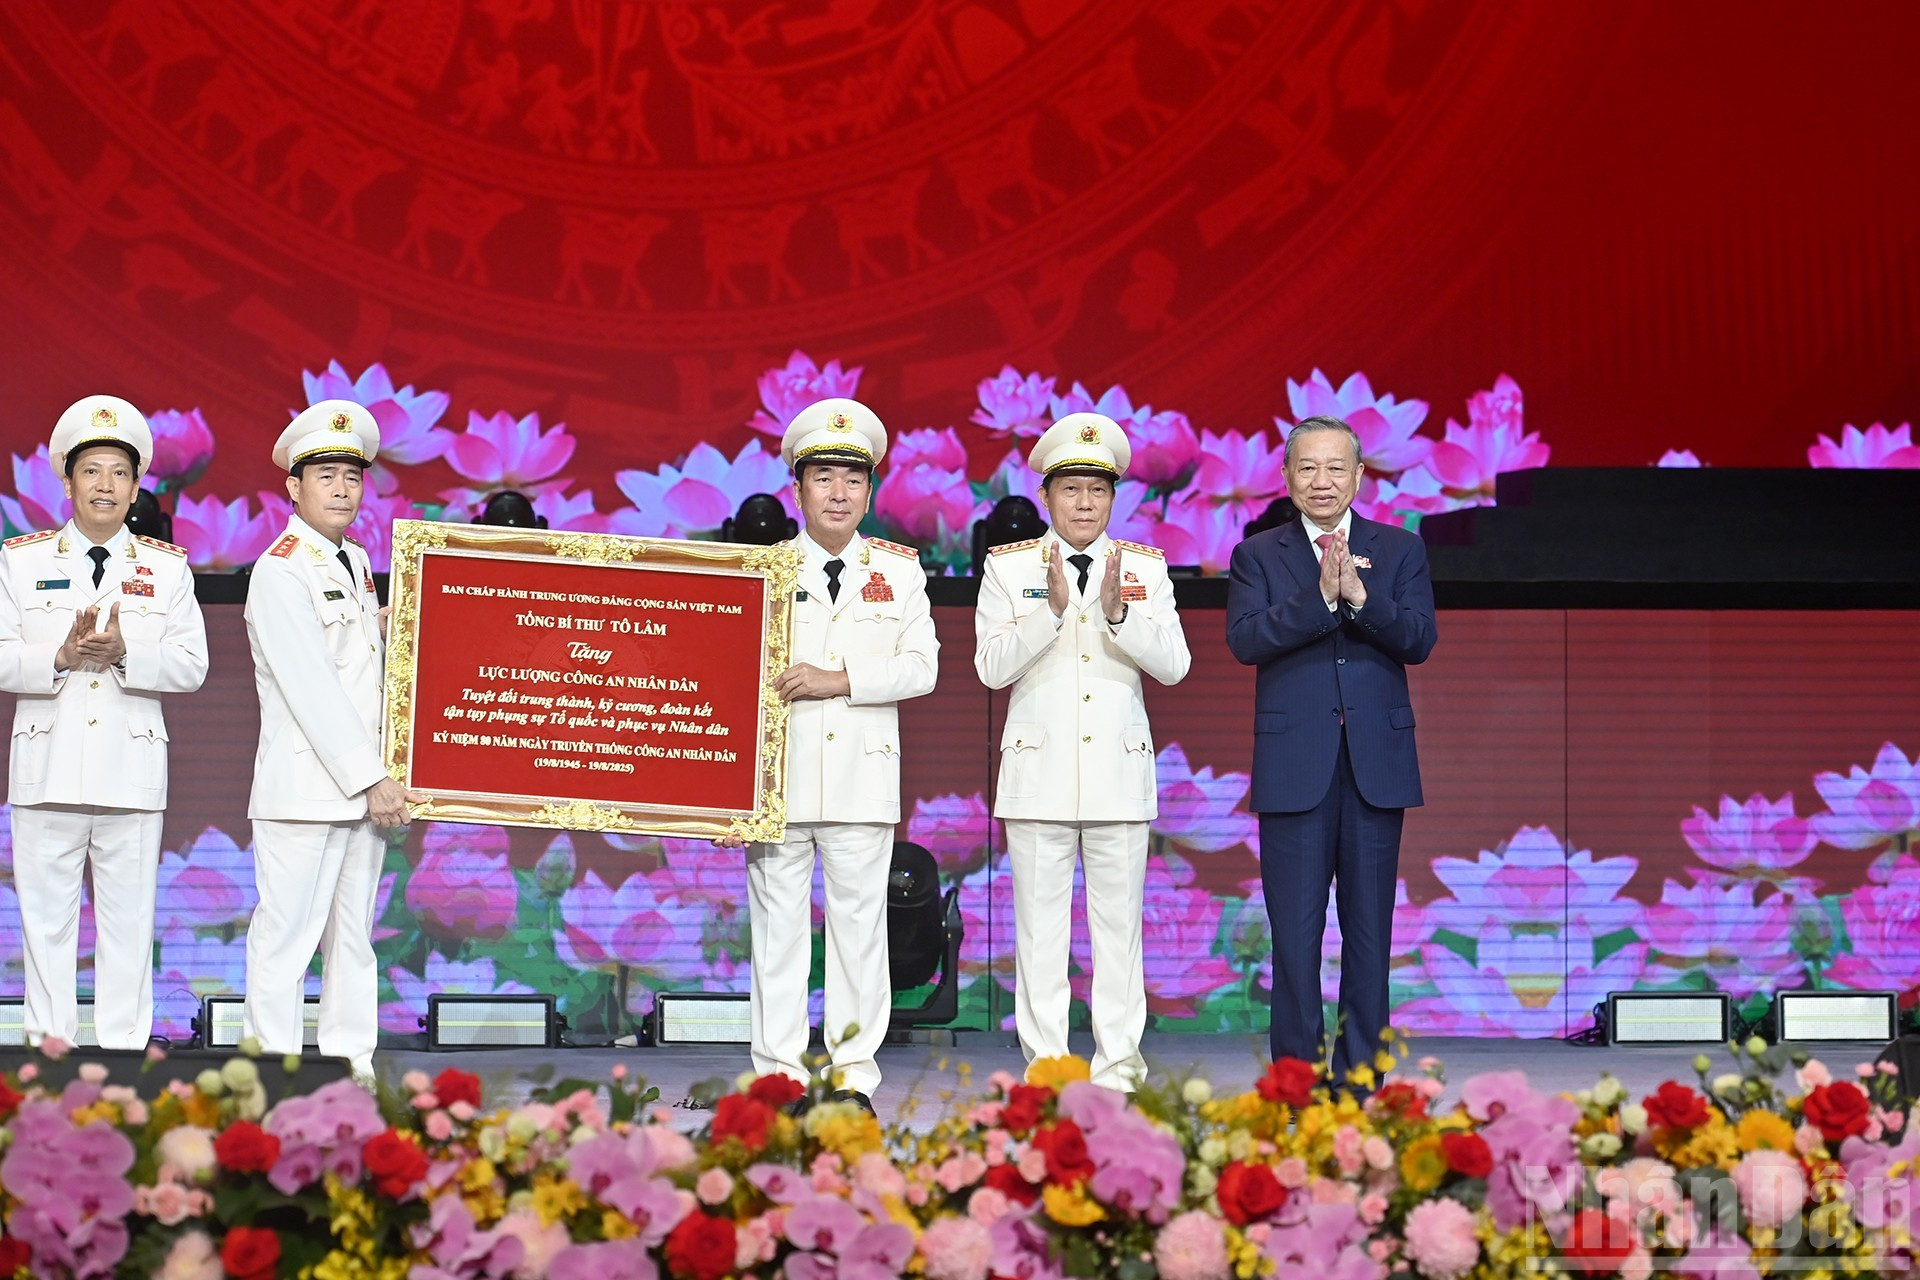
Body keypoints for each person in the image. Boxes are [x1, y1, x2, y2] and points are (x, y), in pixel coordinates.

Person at [726, 397, 938, 1112]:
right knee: (777, 939)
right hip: (774, 782)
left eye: (854, 479)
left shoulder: (900, 571)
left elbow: (922, 669)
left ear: (870, 489)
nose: (840, 493)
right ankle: (777, 1080)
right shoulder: (762, 569)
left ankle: (853, 1081)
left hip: (861, 779)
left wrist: (838, 680)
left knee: (858, 938)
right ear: (797, 488)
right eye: (825, 478)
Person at [974, 412, 1190, 1091]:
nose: (1086, 503)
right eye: (1072, 489)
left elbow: (1175, 666)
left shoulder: (1144, 571)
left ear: (1114, 496)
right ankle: (1047, 1070)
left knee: (1118, 933)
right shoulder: (1010, 569)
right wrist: (1049, 612)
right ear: (1047, 496)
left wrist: (1120, 615)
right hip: (1038, 775)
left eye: (1098, 490)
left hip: (1117, 776)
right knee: (1039, 936)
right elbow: (991, 668)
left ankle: (1120, 1069)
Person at [1225, 413, 1436, 1088]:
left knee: (1370, 937)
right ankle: (1296, 1076)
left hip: (1375, 766)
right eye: (1307, 468)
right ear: (1285, 477)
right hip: (1295, 769)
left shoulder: (1399, 550)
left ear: (1359, 476)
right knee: (1294, 938)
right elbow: (1247, 641)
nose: (1321, 481)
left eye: (1335, 467)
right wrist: (1320, 600)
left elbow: (1418, 640)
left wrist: (1361, 599)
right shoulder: (1258, 554)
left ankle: (1362, 1075)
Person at [0, 395, 207, 1049]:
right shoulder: (20, 561)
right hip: (47, 771)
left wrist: (126, 653)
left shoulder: (166, 567)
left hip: (132, 774)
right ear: (67, 480)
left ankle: (124, 1066)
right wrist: (57, 657)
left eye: (119, 472)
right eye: (92, 471)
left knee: (127, 929)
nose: (106, 485)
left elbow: (192, 665)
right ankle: (48, 1063)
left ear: (137, 484)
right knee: (47, 928)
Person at [243, 399, 415, 1080]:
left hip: (357, 788)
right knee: (286, 942)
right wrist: (373, 778)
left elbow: (349, 664)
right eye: (326, 477)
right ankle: (270, 1080)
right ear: (294, 485)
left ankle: (353, 1071)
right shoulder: (281, 567)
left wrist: (381, 627)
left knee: (353, 942)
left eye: (352, 477)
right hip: (306, 789)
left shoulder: (350, 557)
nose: (343, 490)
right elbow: (311, 688)